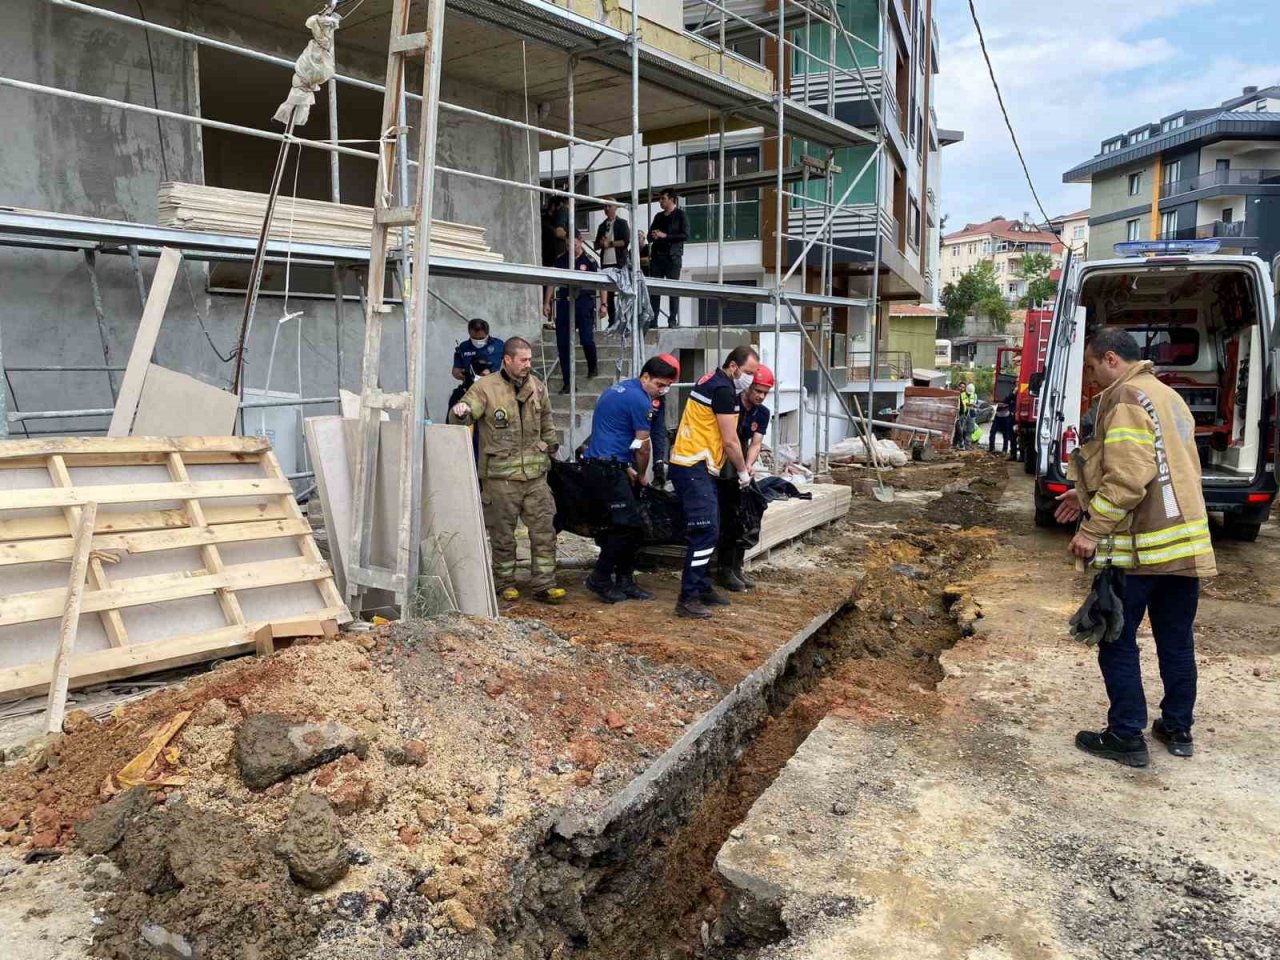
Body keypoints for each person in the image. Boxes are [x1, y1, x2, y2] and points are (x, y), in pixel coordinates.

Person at [1054, 327, 1216, 768]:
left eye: (1091, 366)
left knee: (1116, 639)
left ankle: (1126, 734)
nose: (1090, 376)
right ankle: (1177, 729)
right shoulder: (1167, 396)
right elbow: (1165, 466)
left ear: (1110, 359)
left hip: (1141, 548)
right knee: (1176, 641)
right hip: (1183, 548)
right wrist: (1081, 495)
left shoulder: (1125, 398)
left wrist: (1091, 529)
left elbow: (1129, 477)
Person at [449, 337, 566, 605]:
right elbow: (464, 415)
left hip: (536, 477)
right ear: (508, 359)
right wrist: (461, 411)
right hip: (501, 480)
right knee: (503, 536)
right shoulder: (485, 389)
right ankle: (504, 584)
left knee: (544, 533)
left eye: (530, 359)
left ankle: (545, 584)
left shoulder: (537, 386)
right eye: (523, 360)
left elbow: (546, 420)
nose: (529, 364)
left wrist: (551, 446)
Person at [668, 345, 760, 619]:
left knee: (713, 528)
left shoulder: (710, 379)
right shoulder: (723, 391)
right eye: (747, 372)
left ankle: (702, 585)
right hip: (693, 465)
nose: (750, 379)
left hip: (694, 463)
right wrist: (743, 472)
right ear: (733, 366)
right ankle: (688, 597)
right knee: (706, 530)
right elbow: (731, 440)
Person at [580, 355, 680, 603]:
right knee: (626, 526)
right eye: (659, 385)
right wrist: (644, 474)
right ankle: (600, 577)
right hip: (607, 470)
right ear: (645, 377)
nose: (662, 391)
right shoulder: (639, 400)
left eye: (666, 387)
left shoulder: (617, 390)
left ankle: (625, 579)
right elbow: (642, 446)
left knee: (629, 526)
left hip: (610, 466)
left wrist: (629, 469)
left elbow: (612, 437)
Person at [716, 365, 773, 592]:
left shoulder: (762, 413)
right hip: (724, 461)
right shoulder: (732, 403)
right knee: (728, 517)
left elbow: (756, 443)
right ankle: (724, 569)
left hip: (741, 462)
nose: (760, 396)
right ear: (748, 386)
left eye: (764, 392)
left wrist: (748, 466)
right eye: (757, 390)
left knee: (744, 515)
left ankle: (736, 567)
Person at [544, 235, 605, 394]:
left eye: (573, 243)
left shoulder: (589, 260)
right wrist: (547, 302)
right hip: (565, 303)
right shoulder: (561, 260)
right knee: (563, 345)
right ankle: (568, 383)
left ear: (580, 241)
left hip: (584, 302)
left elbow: (602, 283)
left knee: (586, 339)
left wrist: (603, 305)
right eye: (567, 244)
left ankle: (592, 364)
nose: (570, 247)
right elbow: (552, 280)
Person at [647, 189, 688, 329]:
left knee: (673, 290)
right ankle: (654, 321)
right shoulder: (658, 216)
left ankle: (672, 320)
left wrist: (665, 236)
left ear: (671, 199)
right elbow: (648, 236)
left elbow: (685, 235)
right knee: (655, 290)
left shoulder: (680, 215)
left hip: (673, 257)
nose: (660, 201)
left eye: (663, 198)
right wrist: (653, 234)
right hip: (658, 257)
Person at [449, 318, 504, 409]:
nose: (478, 341)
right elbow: (455, 371)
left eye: (481, 338)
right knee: (455, 404)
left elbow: (509, 365)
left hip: (494, 388)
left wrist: (489, 373)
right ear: (469, 333)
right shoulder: (464, 347)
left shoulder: (498, 345)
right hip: (470, 389)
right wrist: (468, 376)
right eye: (474, 338)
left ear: (487, 333)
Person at [594, 204, 631, 328]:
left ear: (615, 208)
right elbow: (596, 245)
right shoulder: (602, 226)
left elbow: (626, 241)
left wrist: (609, 243)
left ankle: (624, 320)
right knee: (608, 293)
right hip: (606, 261)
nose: (606, 209)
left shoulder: (622, 223)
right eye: (604, 206)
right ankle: (612, 320)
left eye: (609, 206)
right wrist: (601, 243)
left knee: (622, 291)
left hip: (619, 261)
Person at [989, 389, 1015, 458]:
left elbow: (1008, 400)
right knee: (992, 432)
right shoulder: (999, 398)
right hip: (997, 417)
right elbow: (995, 403)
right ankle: (991, 448)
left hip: (1006, 418)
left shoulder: (1010, 398)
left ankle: (1005, 450)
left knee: (1005, 434)